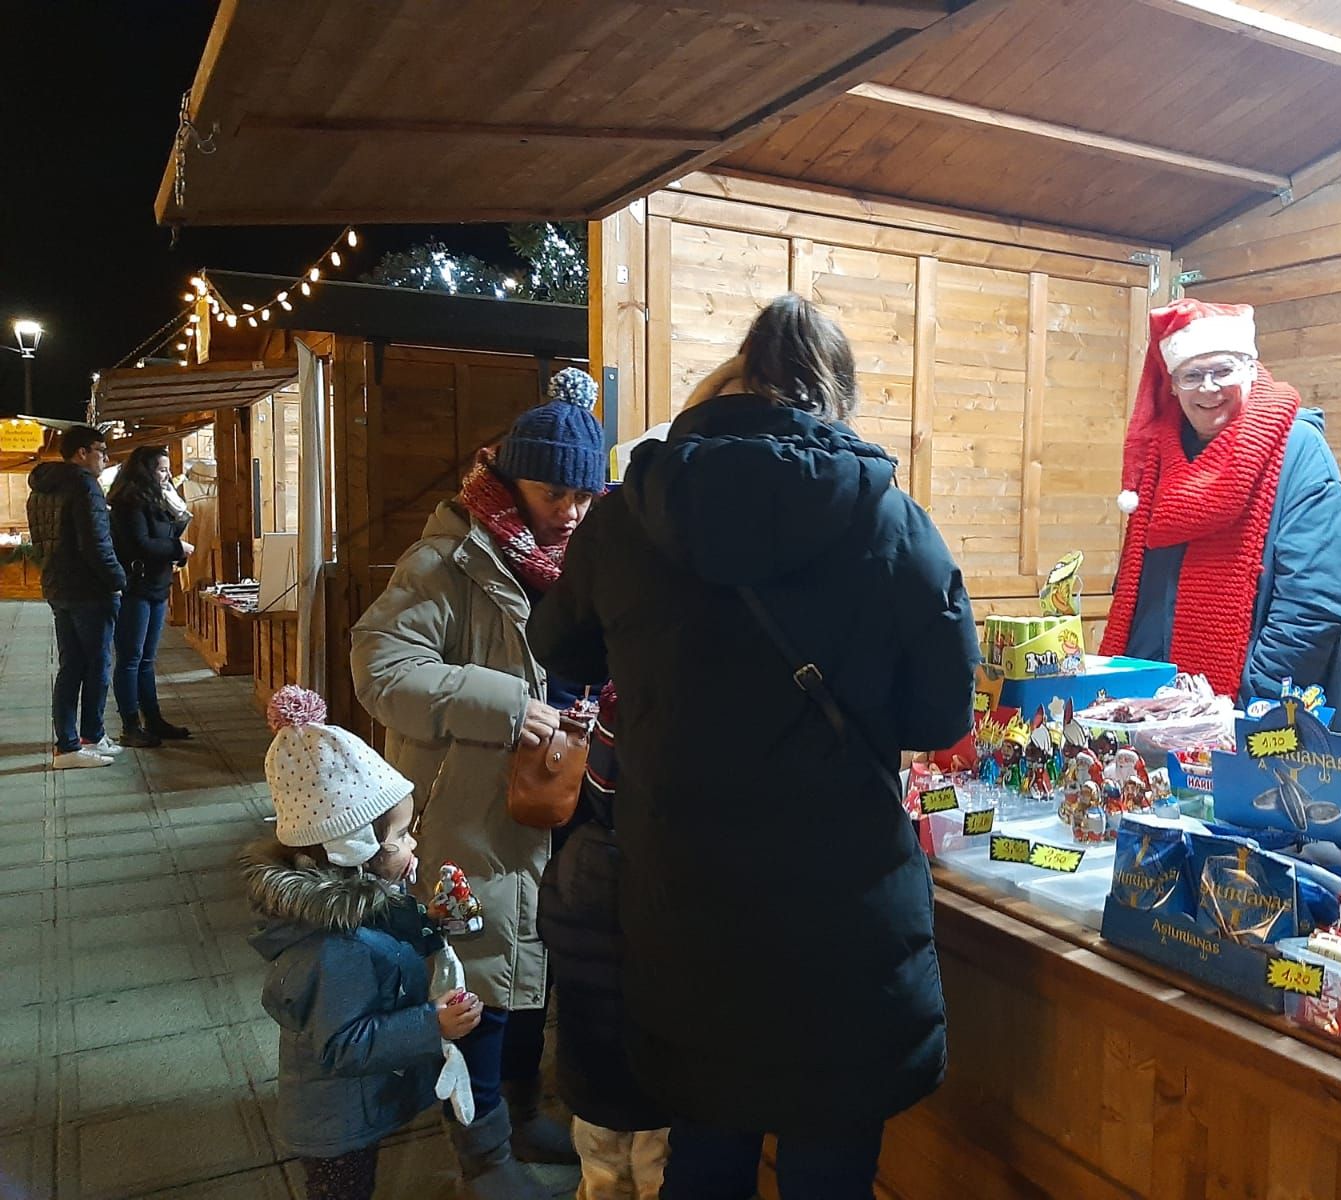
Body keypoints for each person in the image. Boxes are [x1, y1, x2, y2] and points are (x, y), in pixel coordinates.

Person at [528, 294, 981, 1200]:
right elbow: (939, 720)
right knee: (831, 1174)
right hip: (843, 926)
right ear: (833, 398)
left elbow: (561, 648)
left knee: (704, 1153)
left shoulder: (626, 518)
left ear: (731, 387)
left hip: (686, 910)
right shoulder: (897, 526)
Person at [350, 367, 606, 1197]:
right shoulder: (446, 558)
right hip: (470, 808)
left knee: (534, 966)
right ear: (505, 478)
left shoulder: (578, 556)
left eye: (583, 494)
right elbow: (378, 667)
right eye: (551, 491)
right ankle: (482, 1156)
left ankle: (522, 1110)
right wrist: (502, 702)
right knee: (480, 976)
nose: (568, 509)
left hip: (557, 794)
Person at [243, 684, 485, 1200]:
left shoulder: (361, 897)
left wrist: (432, 921)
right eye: (402, 836)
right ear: (355, 850)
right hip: (335, 1123)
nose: (414, 843)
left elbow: (391, 928)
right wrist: (431, 1024)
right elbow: (342, 1043)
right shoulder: (335, 949)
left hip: (354, 1101)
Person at [1101, 299, 1341, 714]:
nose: (1208, 388)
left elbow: (1321, 596)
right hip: (1152, 706)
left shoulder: (1297, 449)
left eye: (1222, 370)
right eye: (1192, 375)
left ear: (1249, 368)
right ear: (1172, 385)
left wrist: (1250, 695)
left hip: (1247, 712)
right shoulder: (1159, 459)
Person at [537, 684, 670, 1200]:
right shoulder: (672, 865)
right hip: (658, 1070)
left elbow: (549, 930)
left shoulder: (577, 855)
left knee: (600, 1172)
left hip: (590, 1066)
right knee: (657, 1170)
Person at [27, 424, 126, 769]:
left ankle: (74, 740)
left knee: (71, 665)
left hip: (57, 585)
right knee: (98, 664)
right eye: (101, 450)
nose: (105, 458)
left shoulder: (41, 488)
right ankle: (83, 740)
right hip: (89, 589)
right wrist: (118, 580)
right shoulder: (85, 486)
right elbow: (96, 544)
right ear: (82, 453)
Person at [107, 446, 195, 747]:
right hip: (136, 587)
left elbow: (167, 535)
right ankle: (130, 725)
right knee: (130, 658)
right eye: (161, 469)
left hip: (158, 584)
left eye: (167, 469)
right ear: (144, 471)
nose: (167, 475)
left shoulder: (158, 498)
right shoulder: (129, 502)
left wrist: (177, 549)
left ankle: (153, 719)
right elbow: (141, 543)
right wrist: (177, 549)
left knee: (147, 659)